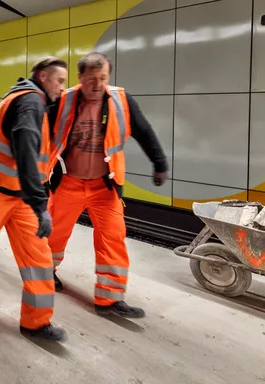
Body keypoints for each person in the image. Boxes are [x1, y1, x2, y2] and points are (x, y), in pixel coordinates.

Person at [47, 52, 169, 318]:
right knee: (54, 234)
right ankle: (46, 274)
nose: (98, 84)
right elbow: (39, 133)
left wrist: (159, 162)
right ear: (80, 77)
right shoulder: (63, 101)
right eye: (92, 79)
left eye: (103, 78)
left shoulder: (121, 100)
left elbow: (144, 131)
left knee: (113, 238)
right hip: (67, 183)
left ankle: (110, 298)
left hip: (105, 186)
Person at [0, 57, 68, 341]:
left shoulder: (38, 105)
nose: (62, 88)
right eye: (59, 81)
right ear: (42, 77)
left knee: (38, 256)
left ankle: (36, 322)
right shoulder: (30, 102)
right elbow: (26, 154)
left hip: (20, 195)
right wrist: (41, 206)